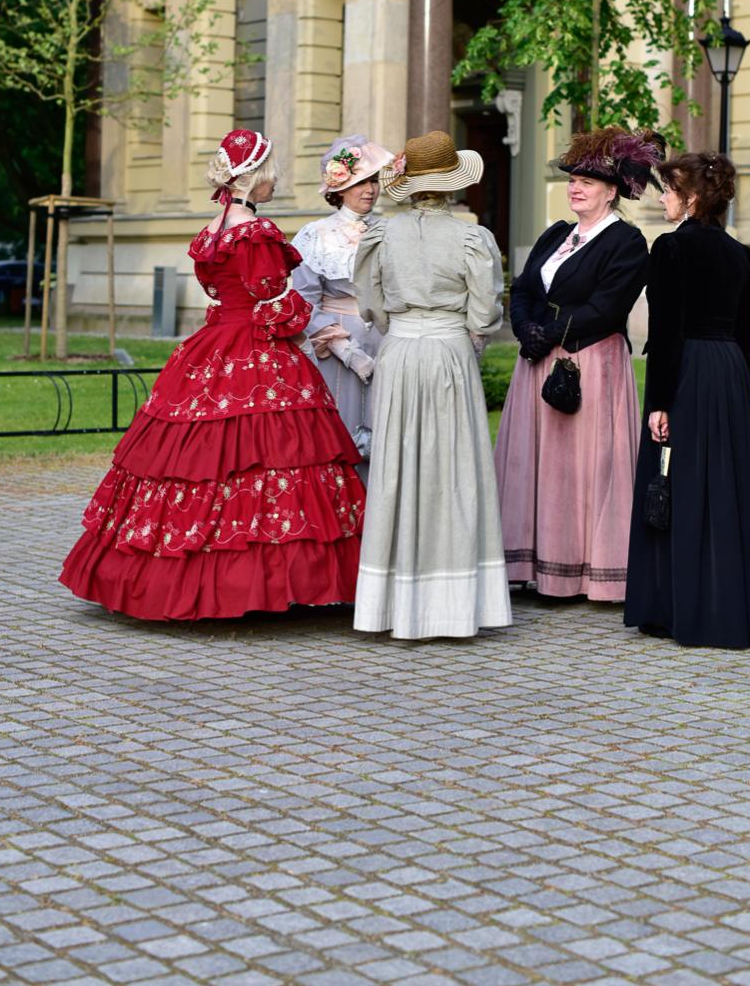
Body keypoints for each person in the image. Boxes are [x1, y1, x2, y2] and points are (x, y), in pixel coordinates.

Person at [60, 129, 365, 621]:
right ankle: (267, 581)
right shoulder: (256, 232)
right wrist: (312, 324)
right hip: (256, 350)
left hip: (212, 345)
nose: (276, 181)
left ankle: (175, 576)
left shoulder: (213, 228)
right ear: (254, 176)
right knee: (272, 456)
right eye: (272, 173)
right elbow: (276, 301)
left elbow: (221, 290)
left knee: (202, 458)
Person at [352, 130, 511, 640]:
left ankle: (391, 603)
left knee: (396, 467)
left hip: (399, 351)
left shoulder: (380, 234)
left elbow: (370, 305)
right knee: (455, 467)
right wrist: (467, 333)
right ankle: (455, 605)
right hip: (448, 351)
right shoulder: (472, 238)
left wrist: (399, 325)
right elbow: (484, 312)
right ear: (452, 183)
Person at [624, 152, 750, 648]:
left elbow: (666, 332)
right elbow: (745, 339)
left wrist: (659, 402)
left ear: (692, 198)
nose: (662, 199)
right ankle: (727, 609)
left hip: (689, 373)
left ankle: (677, 609)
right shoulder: (745, 258)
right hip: (730, 376)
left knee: (678, 484)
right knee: (726, 489)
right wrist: (732, 385)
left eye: (669, 191)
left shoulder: (670, 248)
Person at [495, 129, 659, 603]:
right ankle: (534, 564)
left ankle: (586, 572)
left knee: (582, 469)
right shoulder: (556, 234)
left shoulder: (627, 241)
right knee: (536, 464)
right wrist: (525, 328)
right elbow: (524, 287)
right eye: (572, 180)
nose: (575, 188)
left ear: (612, 190)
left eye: (586, 181)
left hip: (590, 362)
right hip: (539, 360)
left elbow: (608, 307)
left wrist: (549, 332)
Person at [291, 136, 394, 467]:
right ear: (340, 187)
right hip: (336, 345)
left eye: (373, 181)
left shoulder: (392, 231)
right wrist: (346, 350)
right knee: (340, 431)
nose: (370, 190)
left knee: (386, 433)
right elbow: (304, 302)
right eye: (360, 182)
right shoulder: (315, 234)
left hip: (386, 340)